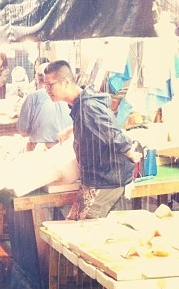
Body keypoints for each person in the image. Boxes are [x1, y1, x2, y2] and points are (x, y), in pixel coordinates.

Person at [43, 60, 142, 220]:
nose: (47, 90)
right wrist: (72, 130)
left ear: (66, 82)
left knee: (83, 230)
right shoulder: (81, 104)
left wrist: (129, 151)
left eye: (50, 85)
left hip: (106, 179)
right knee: (74, 225)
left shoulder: (86, 107)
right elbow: (96, 124)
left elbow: (110, 130)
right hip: (98, 177)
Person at [17, 62, 72, 150]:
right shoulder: (68, 96)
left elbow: (23, 129)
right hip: (67, 148)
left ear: (38, 79)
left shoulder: (33, 97)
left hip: (42, 150)